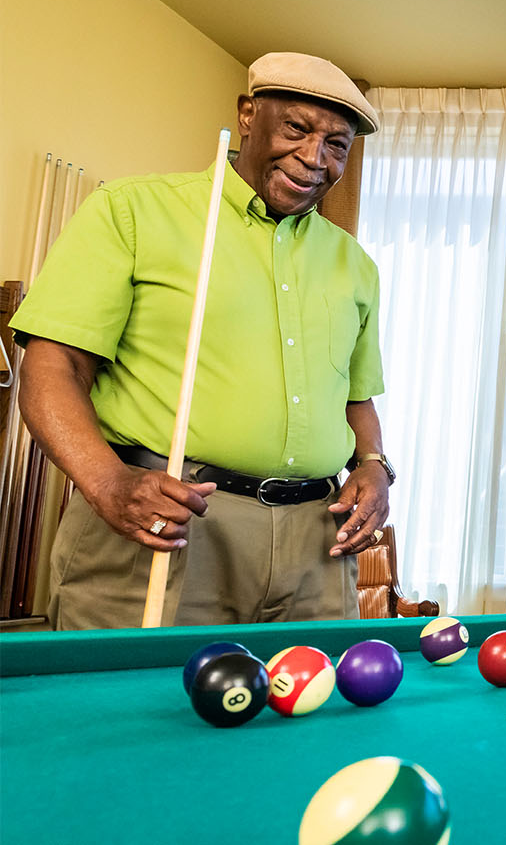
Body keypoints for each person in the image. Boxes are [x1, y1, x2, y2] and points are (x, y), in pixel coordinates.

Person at [13, 52, 396, 629]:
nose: (314, 158)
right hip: (171, 521)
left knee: (315, 716)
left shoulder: (354, 264)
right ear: (248, 115)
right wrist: (109, 483)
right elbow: (53, 369)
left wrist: (373, 465)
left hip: (317, 544)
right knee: (136, 714)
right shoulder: (134, 210)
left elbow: (355, 398)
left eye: (337, 144)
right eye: (297, 128)